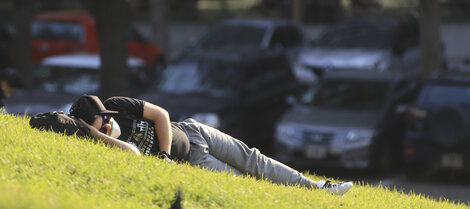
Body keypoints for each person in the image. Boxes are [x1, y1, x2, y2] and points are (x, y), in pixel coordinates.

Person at [70, 95, 353, 195]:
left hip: (194, 132)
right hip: (194, 161)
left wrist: (165, 154)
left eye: (106, 118)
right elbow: (132, 153)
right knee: (247, 182)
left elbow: (161, 115)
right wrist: (97, 134)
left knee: (255, 159)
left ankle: (318, 188)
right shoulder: (103, 146)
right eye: (100, 124)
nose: (107, 123)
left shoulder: (118, 105)